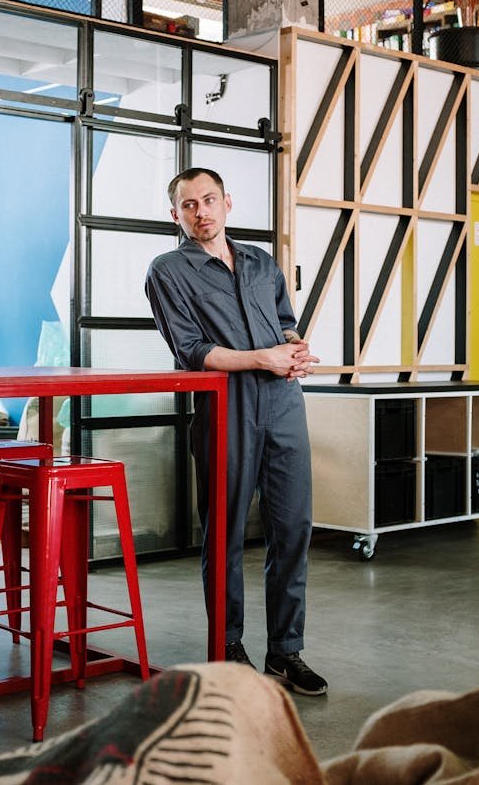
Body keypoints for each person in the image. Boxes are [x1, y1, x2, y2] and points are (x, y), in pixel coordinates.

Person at [144, 167, 327, 696]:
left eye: (208, 200)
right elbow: (193, 352)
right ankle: (226, 647)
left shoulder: (260, 262)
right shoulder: (168, 271)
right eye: (187, 205)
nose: (200, 212)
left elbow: (285, 320)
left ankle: (286, 652)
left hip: (283, 404)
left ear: (228, 202)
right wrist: (263, 359)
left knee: (294, 529)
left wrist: (294, 351)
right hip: (226, 406)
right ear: (174, 214)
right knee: (223, 533)